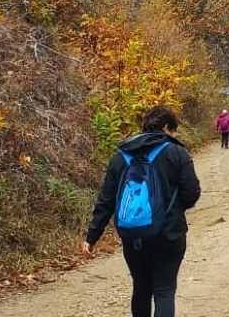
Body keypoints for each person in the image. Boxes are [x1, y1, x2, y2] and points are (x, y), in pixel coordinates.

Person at [83, 106, 201, 317]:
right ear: (166, 127)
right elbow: (192, 192)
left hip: (134, 236)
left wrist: (92, 237)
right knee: (164, 290)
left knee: (141, 288)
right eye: (173, 130)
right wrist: (172, 209)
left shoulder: (122, 155)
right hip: (169, 233)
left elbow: (106, 200)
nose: (173, 135)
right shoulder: (176, 152)